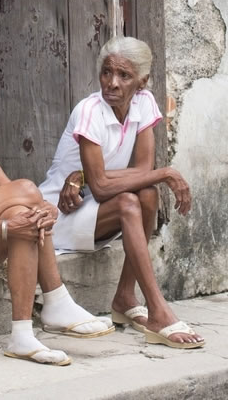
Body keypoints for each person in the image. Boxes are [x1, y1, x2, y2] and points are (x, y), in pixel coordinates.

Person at [0, 60, 114, 366]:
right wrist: (3, 228)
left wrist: (39, 211)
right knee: (25, 196)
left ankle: (21, 335)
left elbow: (5, 189)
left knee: (23, 210)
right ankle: (56, 300)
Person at [39, 37, 205, 349]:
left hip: (93, 211)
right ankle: (157, 310)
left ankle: (126, 297)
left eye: (124, 76)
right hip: (59, 216)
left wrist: (84, 175)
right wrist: (167, 172)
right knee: (131, 201)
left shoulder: (144, 103)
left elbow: (142, 171)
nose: (112, 83)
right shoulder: (89, 111)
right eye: (106, 72)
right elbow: (102, 189)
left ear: (142, 82)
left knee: (148, 195)